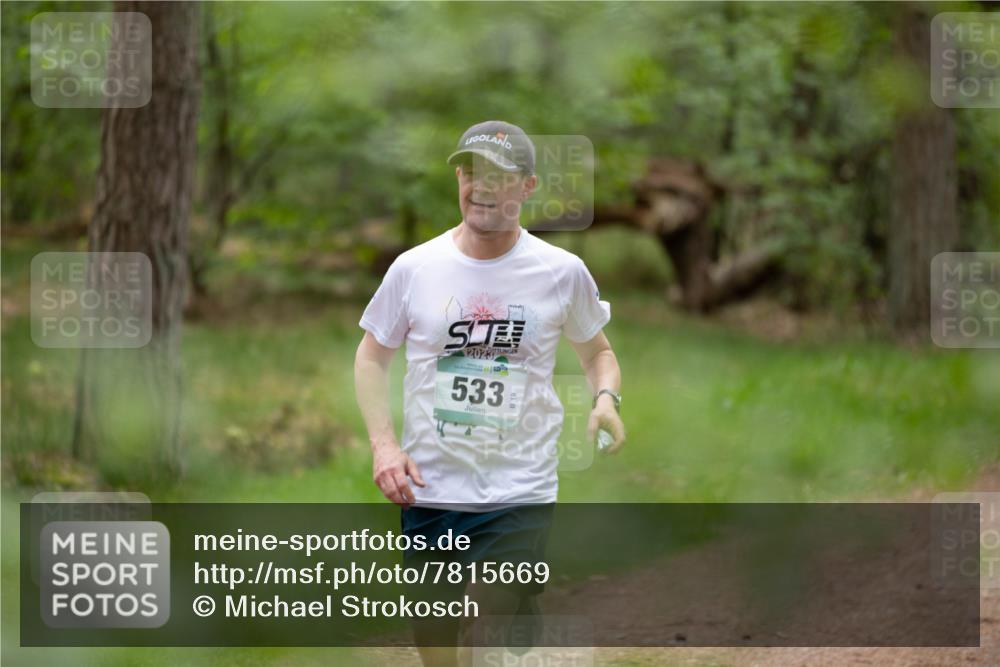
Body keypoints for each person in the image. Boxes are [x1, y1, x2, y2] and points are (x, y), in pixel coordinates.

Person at [354, 120, 625, 667]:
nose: (481, 186)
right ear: (458, 176)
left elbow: (598, 353)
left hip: (519, 486)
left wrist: (605, 402)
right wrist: (384, 447)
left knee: (488, 621)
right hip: (431, 485)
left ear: (526, 187)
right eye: (471, 171)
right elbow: (371, 359)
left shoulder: (560, 271)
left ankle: (511, 607)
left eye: (498, 175)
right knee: (437, 639)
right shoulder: (414, 269)